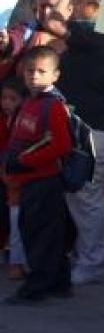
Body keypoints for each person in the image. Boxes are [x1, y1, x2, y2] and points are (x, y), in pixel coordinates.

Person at [42, 0, 104, 285]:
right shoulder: (94, 37)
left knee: (86, 196)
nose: (74, 7)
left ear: (97, 6)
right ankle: (88, 256)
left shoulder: (99, 35)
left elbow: (51, 21)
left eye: (81, 1)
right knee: (80, 195)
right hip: (84, 125)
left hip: (92, 126)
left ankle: (93, 263)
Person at [3, 46, 72, 304]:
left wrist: (25, 161)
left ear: (55, 76)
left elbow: (61, 145)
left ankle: (35, 288)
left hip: (43, 179)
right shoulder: (29, 103)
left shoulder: (52, 106)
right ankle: (59, 283)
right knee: (45, 234)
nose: (34, 76)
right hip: (28, 180)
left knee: (39, 236)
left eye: (41, 71)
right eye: (30, 70)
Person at [0, 77, 28, 280]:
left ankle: (18, 262)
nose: (7, 103)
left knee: (17, 220)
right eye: (4, 98)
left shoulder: (23, 121)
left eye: (12, 99)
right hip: (5, 175)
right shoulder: (3, 119)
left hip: (19, 177)